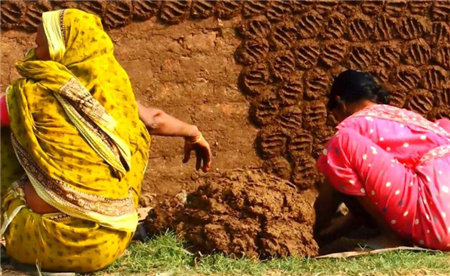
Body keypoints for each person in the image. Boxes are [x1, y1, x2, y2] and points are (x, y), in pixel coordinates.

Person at [0, 8, 211, 273]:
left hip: (47, 242)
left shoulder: (32, 94)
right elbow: (154, 120)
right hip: (111, 240)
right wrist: (193, 132)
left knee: (8, 133)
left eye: (42, 41)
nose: (35, 44)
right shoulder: (112, 89)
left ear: (60, 45)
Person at [314, 69, 450, 251]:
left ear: (340, 103)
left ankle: (391, 237)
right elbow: (374, 197)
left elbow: (328, 197)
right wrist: (336, 231)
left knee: (341, 143)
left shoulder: (353, 125)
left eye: (335, 116)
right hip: (440, 199)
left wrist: (315, 230)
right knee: (444, 124)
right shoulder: (405, 118)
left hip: (437, 222)